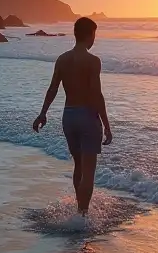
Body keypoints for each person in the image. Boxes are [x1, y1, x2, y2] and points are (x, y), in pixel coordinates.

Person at [32, 17, 112, 215]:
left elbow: (52, 89)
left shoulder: (62, 59)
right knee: (89, 172)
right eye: (94, 34)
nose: (94, 39)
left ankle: (79, 210)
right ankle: (83, 215)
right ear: (89, 35)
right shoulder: (93, 61)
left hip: (68, 116)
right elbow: (96, 94)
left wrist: (43, 113)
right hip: (87, 116)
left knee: (79, 165)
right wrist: (106, 125)